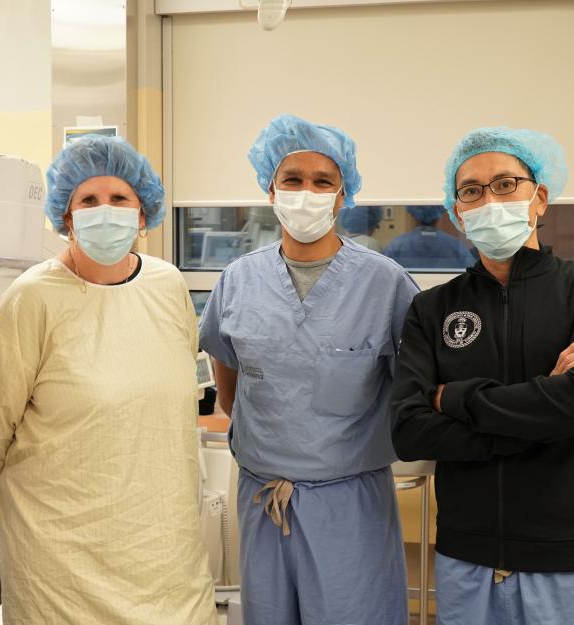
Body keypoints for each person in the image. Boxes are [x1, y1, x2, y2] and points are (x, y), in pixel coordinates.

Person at [0, 135, 217, 625]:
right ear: (66, 215)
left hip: (161, 546)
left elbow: (177, 398)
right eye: (88, 200)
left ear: (143, 213)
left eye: (119, 199)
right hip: (61, 551)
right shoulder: (32, 299)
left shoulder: (167, 286)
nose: (105, 212)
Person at [391, 127, 574, 625]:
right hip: (467, 556)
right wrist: (542, 421)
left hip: (568, 557)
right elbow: (409, 430)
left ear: (539, 198)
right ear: (457, 212)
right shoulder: (432, 310)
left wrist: (452, 398)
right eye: (472, 191)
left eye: (505, 184)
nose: (488, 200)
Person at [198, 114, 417, 625]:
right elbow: (230, 387)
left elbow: (413, 389)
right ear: (269, 189)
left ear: (344, 195)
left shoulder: (386, 285)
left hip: (350, 507)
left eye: (323, 182)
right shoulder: (239, 280)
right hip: (262, 497)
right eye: (292, 180)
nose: (306, 194)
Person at [383, 205, 474, 269]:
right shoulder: (455, 245)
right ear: (439, 215)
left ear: (412, 214)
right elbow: (471, 272)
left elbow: (384, 273)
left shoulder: (396, 245)